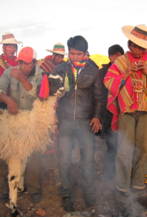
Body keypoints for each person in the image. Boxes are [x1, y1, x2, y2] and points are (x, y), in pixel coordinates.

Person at [104, 24, 147, 201]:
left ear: (146, 47)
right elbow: (109, 83)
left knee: (143, 149)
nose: (137, 49)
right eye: (134, 45)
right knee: (124, 150)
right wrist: (126, 74)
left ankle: (138, 184)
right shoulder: (121, 62)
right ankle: (122, 186)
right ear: (128, 45)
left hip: (146, 112)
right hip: (127, 111)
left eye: (141, 46)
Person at [53, 36, 103, 211]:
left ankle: (88, 191)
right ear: (68, 52)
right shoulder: (59, 69)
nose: (74, 57)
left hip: (85, 122)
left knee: (88, 160)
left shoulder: (93, 71)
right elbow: (51, 96)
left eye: (78, 54)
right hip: (65, 122)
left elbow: (98, 97)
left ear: (85, 54)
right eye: (72, 53)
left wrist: (96, 117)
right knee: (64, 160)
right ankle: (67, 193)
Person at [0, 47, 44, 203]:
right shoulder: (10, 71)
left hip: (31, 122)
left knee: (34, 154)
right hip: (13, 120)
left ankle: (33, 187)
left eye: (27, 63)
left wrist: (22, 79)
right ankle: (6, 187)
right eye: (21, 62)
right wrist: (8, 100)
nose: (23, 66)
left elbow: (40, 95)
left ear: (34, 62)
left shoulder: (40, 74)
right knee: (7, 153)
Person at [99, 44, 124, 180]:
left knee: (123, 143)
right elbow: (100, 93)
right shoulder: (103, 72)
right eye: (114, 56)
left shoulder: (126, 70)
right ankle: (110, 173)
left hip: (124, 112)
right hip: (108, 112)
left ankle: (122, 172)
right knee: (111, 143)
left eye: (119, 56)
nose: (116, 59)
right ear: (110, 57)